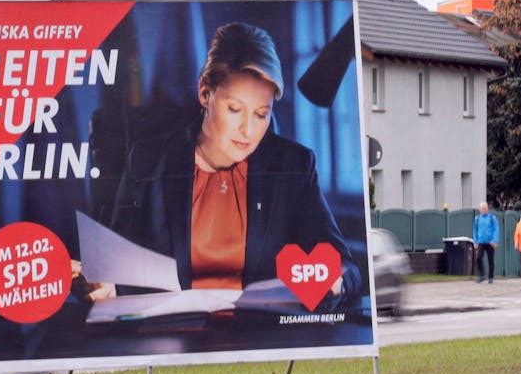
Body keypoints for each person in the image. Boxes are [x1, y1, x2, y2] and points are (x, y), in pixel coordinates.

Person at [107, 22, 363, 307]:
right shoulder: (148, 159)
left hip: (260, 337)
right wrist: (105, 282)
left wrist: (335, 280)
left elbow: (346, 267)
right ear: (205, 93)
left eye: (261, 114)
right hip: (172, 336)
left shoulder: (294, 166)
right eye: (234, 109)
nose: (247, 129)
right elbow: (115, 264)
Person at [472, 202, 498, 283]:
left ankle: (490, 277)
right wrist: (475, 242)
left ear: (487, 209)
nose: (483, 210)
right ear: (479, 210)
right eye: (481, 209)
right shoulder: (477, 218)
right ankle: (482, 275)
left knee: (491, 260)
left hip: (490, 242)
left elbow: (496, 229)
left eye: (484, 208)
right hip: (481, 242)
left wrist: (494, 240)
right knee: (478, 258)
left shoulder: (492, 218)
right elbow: (475, 230)